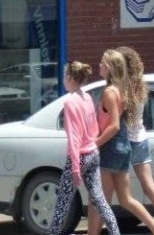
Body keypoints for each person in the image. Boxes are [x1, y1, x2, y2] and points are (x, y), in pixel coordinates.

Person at [87, 50, 154, 235]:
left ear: (109, 68)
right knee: (125, 199)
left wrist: (94, 143)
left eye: (102, 63)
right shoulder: (120, 90)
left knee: (98, 199)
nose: (99, 65)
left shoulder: (109, 92)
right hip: (123, 147)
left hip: (111, 148)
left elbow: (114, 125)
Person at [48, 61, 121, 235]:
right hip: (93, 153)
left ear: (70, 78)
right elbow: (93, 126)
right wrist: (93, 144)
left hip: (79, 157)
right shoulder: (87, 97)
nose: (63, 80)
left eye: (65, 76)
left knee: (62, 204)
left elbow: (74, 138)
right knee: (100, 200)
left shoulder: (70, 103)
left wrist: (75, 168)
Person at [116, 45, 154, 235]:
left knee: (116, 192)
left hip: (125, 140)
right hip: (140, 138)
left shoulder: (121, 86)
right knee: (150, 187)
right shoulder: (140, 84)